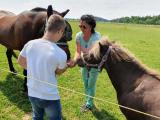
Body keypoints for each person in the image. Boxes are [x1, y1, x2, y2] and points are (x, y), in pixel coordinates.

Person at [18, 14, 70, 120]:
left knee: (37, 117)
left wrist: (35, 68)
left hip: (32, 93)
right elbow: (59, 71)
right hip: (50, 97)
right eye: (63, 32)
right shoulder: (60, 53)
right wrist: (67, 65)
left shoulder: (30, 44)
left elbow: (20, 61)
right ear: (60, 30)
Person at [73, 15, 101, 112]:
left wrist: (81, 54)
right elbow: (78, 51)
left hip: (94, 63)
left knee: (91, 83)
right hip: (83, 62)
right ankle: (88, 100)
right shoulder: (78, 36)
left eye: (84, 27)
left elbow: (90, 53)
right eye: (80, 26)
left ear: (91, 27)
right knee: (85, 83)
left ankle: (89, 103)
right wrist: (75, 60)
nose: (81, 28)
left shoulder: (96, 37)